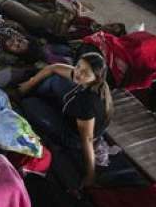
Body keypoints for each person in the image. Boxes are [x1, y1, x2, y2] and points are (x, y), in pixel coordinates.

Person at [16, 53, 114, 187]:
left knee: (29, 103)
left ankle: (37, 102)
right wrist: (29, 83)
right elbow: (54, 67)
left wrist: (90, 175)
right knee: (54, 80)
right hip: (75, 113)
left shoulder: (87, 102)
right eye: (78, 66)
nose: (78, 73)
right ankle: (38, 95)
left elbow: (87, 139)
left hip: (73, 138)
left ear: (96, 77)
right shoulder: (84, 79)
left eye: (85, 72)